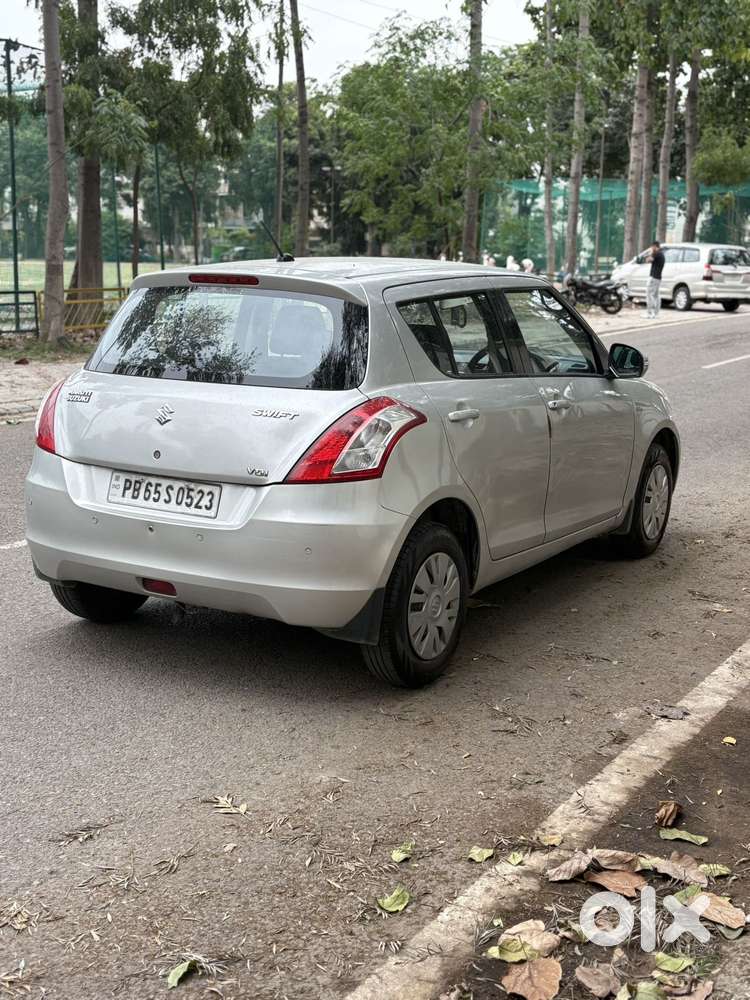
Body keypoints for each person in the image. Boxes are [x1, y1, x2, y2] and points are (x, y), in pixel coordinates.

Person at [645, 240, 665, 319]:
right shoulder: (661, 254)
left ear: (654, 246)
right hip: (658, 277)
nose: (651, 248)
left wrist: (650, 253)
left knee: (650, 295)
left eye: (652, 247)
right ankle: (656, 313)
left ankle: (650, 313)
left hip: (653, 277)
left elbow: (648, 260)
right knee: (656, 295)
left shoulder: (656, 253)